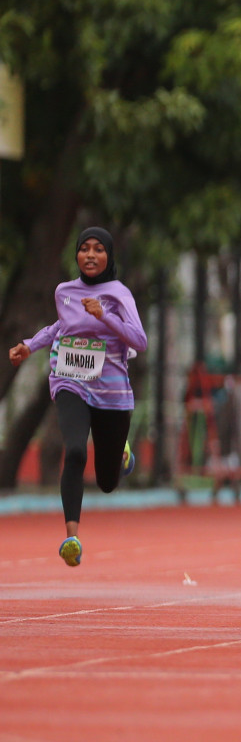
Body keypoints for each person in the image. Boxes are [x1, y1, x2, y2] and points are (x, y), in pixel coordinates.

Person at [9, 227, 146, 566]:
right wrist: (30, 345)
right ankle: (72, 537)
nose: (90, 255)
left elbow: (139, 341)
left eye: (98, 249)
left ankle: (120, 454)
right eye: (84, 249)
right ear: (76, 256)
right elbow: (60, 328)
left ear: (109, 257)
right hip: (70, 380)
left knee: (107, 482)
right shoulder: (64, 291)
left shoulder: (118, 294)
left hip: (112, 391)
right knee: (73, 450)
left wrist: (105, 315)